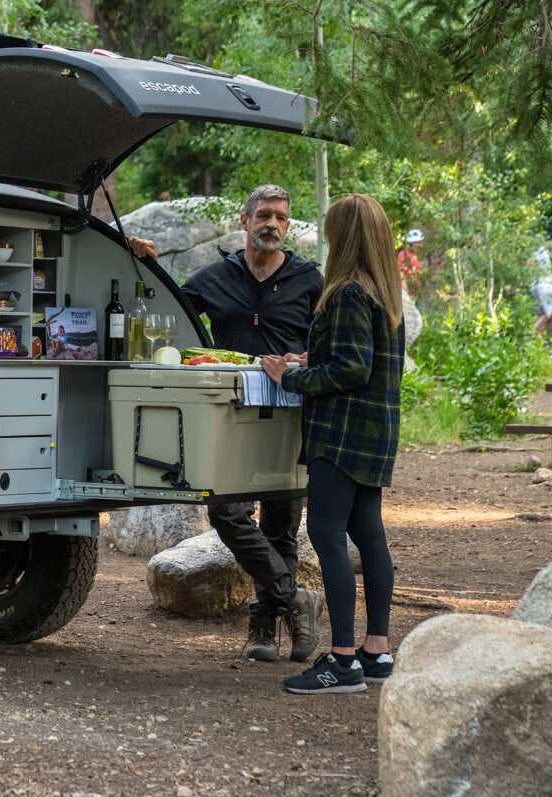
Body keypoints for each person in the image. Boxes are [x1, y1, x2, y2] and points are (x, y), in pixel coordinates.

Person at [130, 185, 324, 664]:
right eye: (263, 215)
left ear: (288, 224)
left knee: (282, 524)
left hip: (289, 415)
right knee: (226, 512)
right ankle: (294, 596)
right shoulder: (216, 277)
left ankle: (266, 623)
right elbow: (170, 309)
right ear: (244, 220)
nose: (271, 225)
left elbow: (329, 340)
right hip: (230, 416)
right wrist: (149, 266)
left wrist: (308, 358)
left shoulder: (309, 280)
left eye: (280, 217)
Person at [261, 193, 404, 695]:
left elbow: (350, 369)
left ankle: (342, 661)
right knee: (369, 534)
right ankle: (376, 651)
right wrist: (312, 358)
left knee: (326, 535)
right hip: (376, 432)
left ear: (342, 236)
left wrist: (289, 378)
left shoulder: (345, 292)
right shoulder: (385, 292)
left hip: (341, 436)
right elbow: (356, 359)